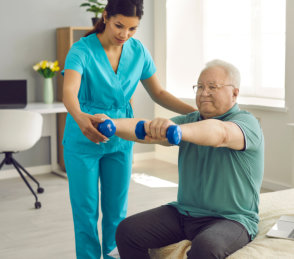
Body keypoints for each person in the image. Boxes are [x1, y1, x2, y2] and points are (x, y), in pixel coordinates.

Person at [62, 0, 196, 258]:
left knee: (116, 211)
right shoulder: (81, 50)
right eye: (119, 25)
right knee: (86, 212)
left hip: (122, 138)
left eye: (133, 28)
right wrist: (80, 118)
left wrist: (194, 114)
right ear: (106, 17)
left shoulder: (138, 52)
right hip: (84, 138)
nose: (124, 34)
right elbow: (69, 93)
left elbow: (158, 92)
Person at [110, 59, 264, 259]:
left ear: (234, 93)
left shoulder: (246, 123)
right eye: (199, 87)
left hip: (232, 219)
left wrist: (176, 131)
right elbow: (146, 130)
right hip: (184, 213)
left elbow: (220, 134)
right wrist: (112, 124)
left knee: (206, 246)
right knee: (127, 230)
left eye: (212, 87)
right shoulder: (191, 121)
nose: (204, 92)